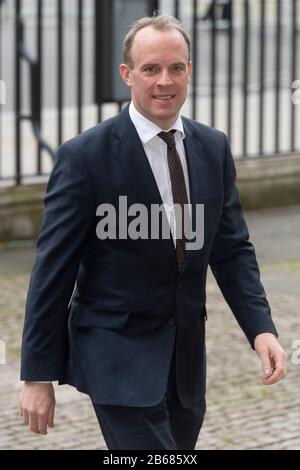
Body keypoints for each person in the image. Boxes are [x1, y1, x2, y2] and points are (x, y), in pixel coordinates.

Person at [19, 14, 287, 450]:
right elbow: (52, 271)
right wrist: (36, 374)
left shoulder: (213, 148)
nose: (165, 81)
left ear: (189, 71)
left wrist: (261, 330)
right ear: (127, 74)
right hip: (115, 356)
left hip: (185, 362)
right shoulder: (85, 158)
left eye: (176, 68)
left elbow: (232, 249)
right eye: (151, 69)